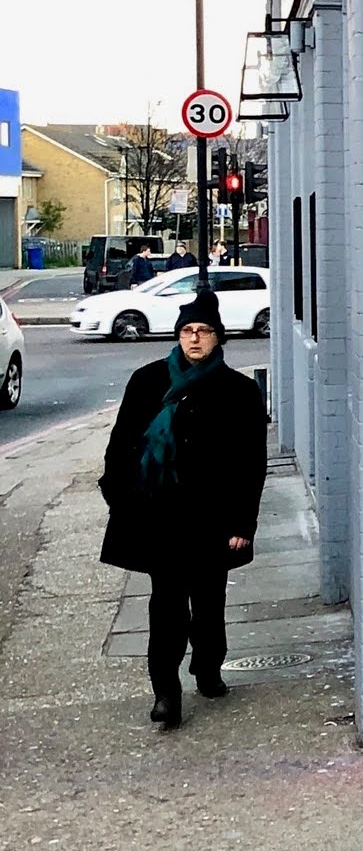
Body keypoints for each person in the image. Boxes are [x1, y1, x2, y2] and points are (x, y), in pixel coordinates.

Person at [98, 289, 268, 729]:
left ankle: (208, 668)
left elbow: (251, 464)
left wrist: (242, 523)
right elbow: (121, 445)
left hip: (213, 519)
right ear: (178, 335)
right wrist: (119, 497)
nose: (194, 339)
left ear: (218, 338)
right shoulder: (148, 381)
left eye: (204, 331)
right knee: (167, 607)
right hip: (161, 517)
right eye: (187, 331)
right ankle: (165, 692)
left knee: (209, 603)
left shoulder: (240, 392)